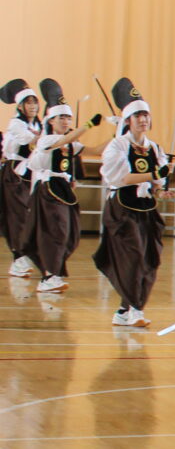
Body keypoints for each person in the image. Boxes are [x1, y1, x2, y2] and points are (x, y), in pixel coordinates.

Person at [93, 78, 171, 327]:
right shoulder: (117, 146)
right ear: (127, 120)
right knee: (133, 257)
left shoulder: (154, 148)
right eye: (137, 115)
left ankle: (124, 310)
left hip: (146, 210)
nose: (143, 119)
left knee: (150, 259)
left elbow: (157, 184)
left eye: (146, 115)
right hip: (122, 210)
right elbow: (123, 178)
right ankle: (136, 308)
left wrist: (161, 191)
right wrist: (154, 176)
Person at [27, 79, 105, 294]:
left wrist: (120, 134)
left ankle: (53, 271)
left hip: (64, 190)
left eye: (68, 117)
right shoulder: (46, 139)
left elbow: (96, 149)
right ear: (51, 120)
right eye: (61, 117)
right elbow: (63, 141)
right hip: (48, 190)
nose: (65, 120)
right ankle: (49, 276)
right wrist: (87, 125)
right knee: (56, 231)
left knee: (70, 235)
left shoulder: (71, 142)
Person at [2, 79, 42, 279]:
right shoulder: (16, 123)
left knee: (30, 215)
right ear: (20, 106)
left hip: (31, 174)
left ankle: (23, 256)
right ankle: (19, 258)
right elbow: (34, 141)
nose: (33, 106)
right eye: (28, 103)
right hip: (15, 174)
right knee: (18, 217)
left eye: (35, 102)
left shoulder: (38, 123)